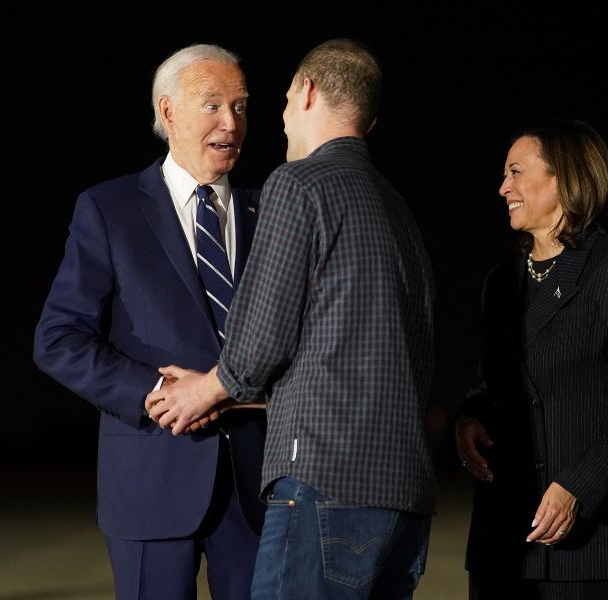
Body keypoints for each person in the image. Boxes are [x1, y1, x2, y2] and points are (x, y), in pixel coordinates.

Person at [146, 38, 439, 600]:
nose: (276, 119)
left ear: (306, 93)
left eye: (276, 101)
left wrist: (204, 390)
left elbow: (259, 344)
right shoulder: (397, 207)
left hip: (326, 484)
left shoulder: (299, 185)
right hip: (406, 495)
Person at [33, 44, 266, 600]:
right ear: (167, 113)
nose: (230, 122)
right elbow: (58, 339)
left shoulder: (272, 210)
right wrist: (155, 392)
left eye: (240, 107)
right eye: (212, 104)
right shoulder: (108, 209)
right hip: (151, 479)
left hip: (259, 489)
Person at [453, 118, 608, 599]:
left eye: (515, 172)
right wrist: (470, 421)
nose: (502, 186)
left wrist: (577, 486)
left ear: (564, 177)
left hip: (589, 542)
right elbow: (491, 385)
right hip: (503, 538)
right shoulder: (499, 283)